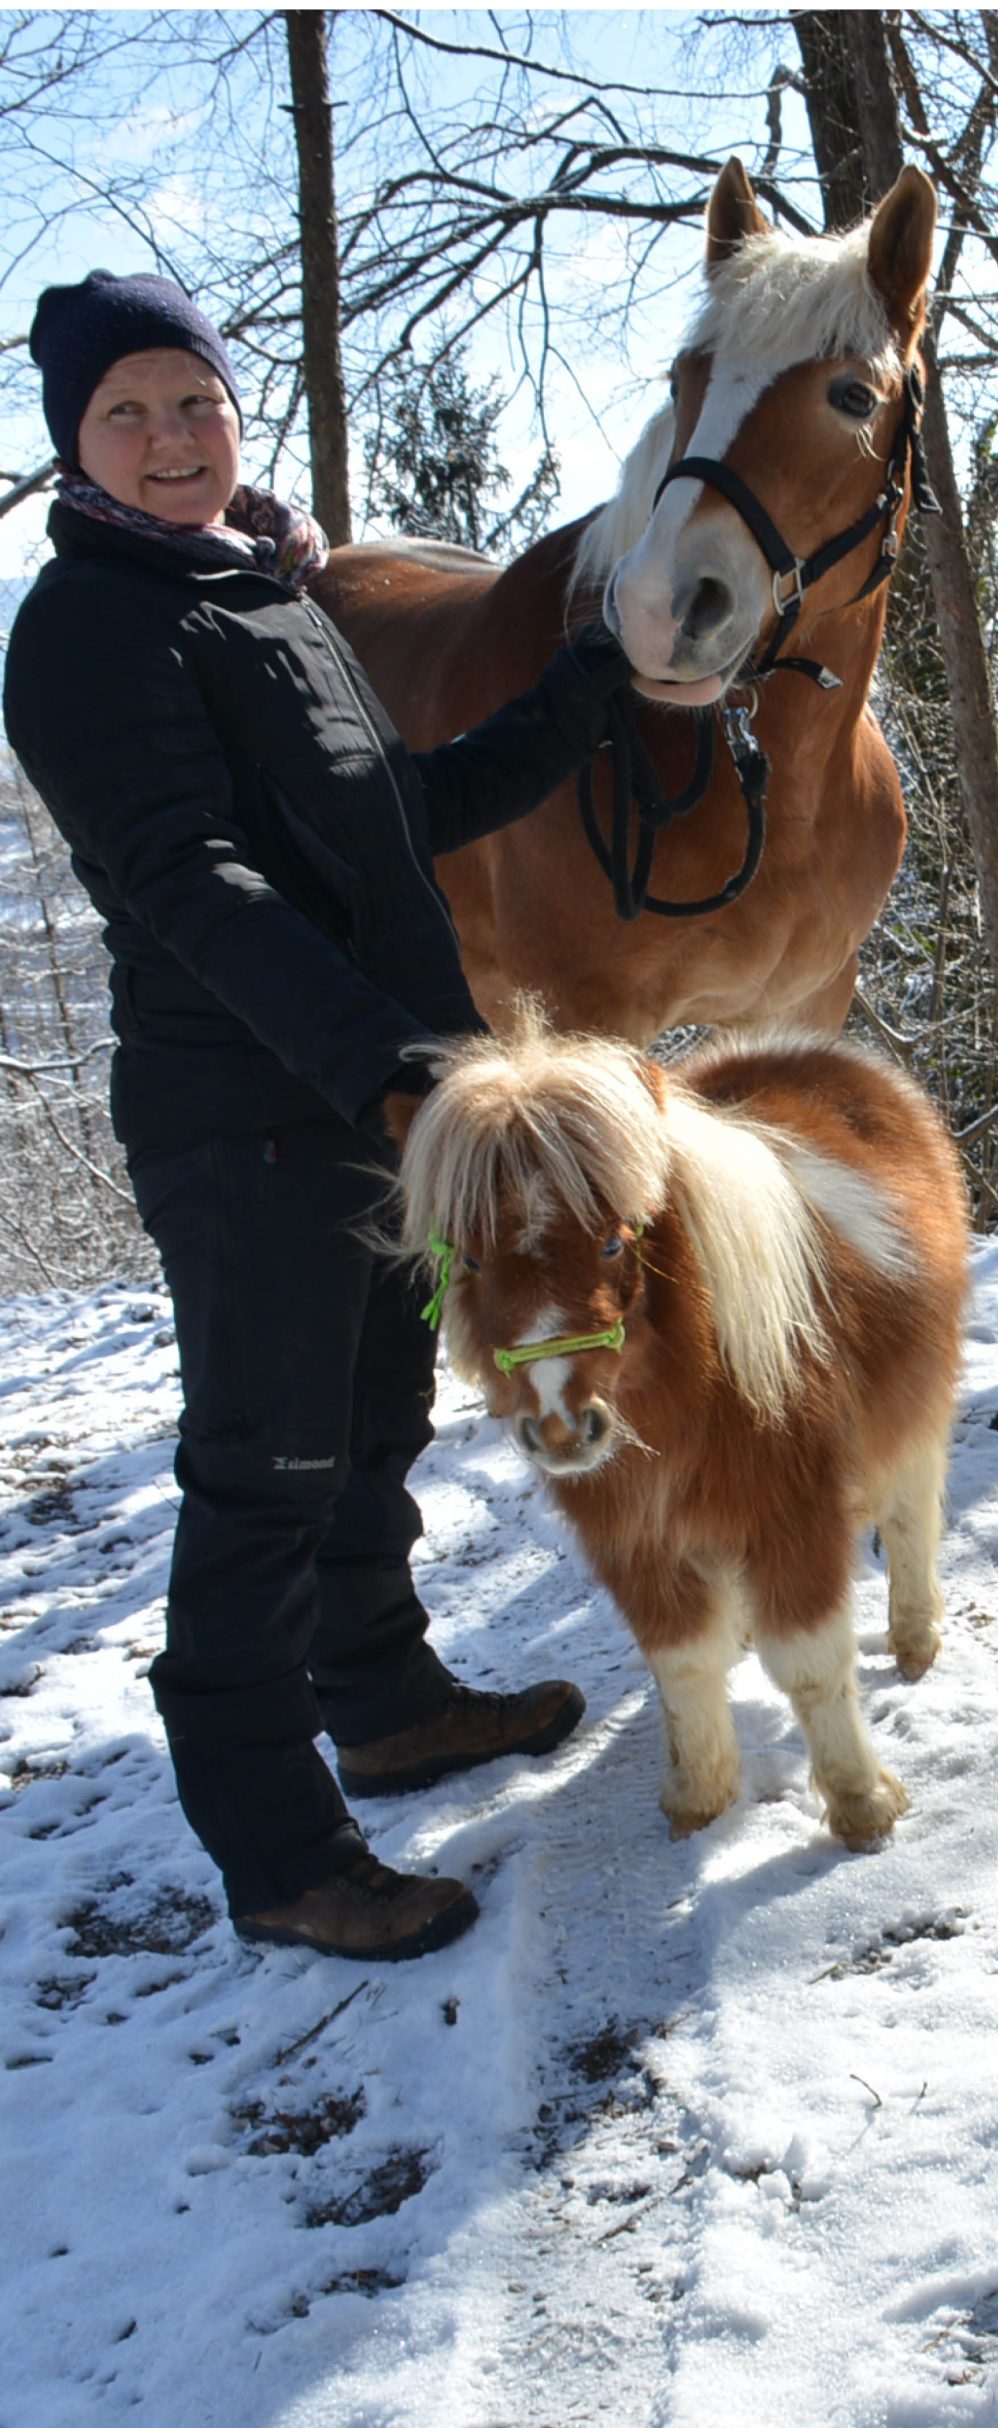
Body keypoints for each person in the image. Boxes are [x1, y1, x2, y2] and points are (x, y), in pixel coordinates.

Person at [4, 271, 638, 1961]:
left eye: (192, 402)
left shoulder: (263, 598)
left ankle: (387, 1701)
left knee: (371, 1427)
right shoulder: (87, 628)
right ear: (75, 437)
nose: (168, 437)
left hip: (375, 1103)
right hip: (253, 1127)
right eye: (125, 411)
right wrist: (384, 1061)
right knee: (264, 1474)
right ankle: (281, 1855)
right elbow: (190, 882)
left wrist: (595, 683)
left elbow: (398, 812)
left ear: (232, 410)